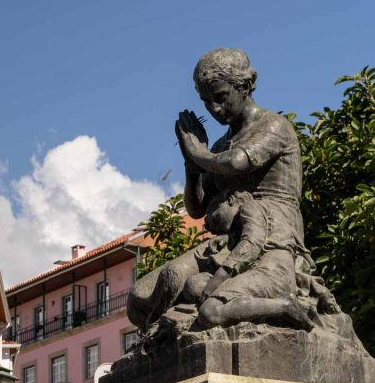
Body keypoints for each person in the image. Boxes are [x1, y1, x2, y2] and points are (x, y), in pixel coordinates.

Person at [128, 48, 316, 334]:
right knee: (143, 294)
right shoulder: (216, 148)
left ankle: (175, 330)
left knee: (192, 291)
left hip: (269, 234)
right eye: (206, 102)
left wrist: (196, 151)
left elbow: (237, 163)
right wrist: (190, 162)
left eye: (220, 97)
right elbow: (196, 207)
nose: (214, 109)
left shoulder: (274, 126)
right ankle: (160, 338)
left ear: (245, 85)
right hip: (227, 239)